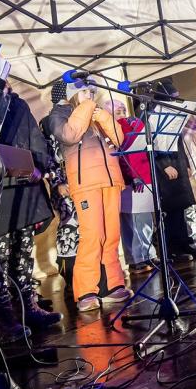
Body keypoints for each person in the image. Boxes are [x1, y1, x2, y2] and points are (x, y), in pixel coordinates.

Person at [0, 91, 62, 336]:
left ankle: (27, 306)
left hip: (24, 185)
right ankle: (1, 314)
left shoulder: (17, 103)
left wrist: (39, 165)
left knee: (23, 250)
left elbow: (34, 138)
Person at [49, 76, 133, 313]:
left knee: (111, 235)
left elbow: (119, 139)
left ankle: (112, 285)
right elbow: (69, 135)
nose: (91, 96)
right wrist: (86, 107)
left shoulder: (95, 115)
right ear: (72, 94)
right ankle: (86, 291)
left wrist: (103, 116)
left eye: (92, 92)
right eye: (86, 92)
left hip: (110, 180)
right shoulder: (60, 114)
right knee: (92, 236)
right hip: (86, 183)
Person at [147, 80, 196, 260]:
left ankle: (184, 243)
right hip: (166, 168)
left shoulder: (172, 114)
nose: (175, 100)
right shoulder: (153, 115)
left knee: (182, 207)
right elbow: (153, 143)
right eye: (173, 97)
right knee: (171, 210)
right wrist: (164, 165)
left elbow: (179, 142)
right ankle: (173, 248)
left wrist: (186, 165)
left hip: (179, 163)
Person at [40, 83, 80, 287]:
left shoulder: (75, 116)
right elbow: (48, 155)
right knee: (69, 226)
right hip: (62, 183)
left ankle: (83, 275)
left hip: (78, 180)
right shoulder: (48, 122)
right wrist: (57, 182)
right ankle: (69, 273)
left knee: (81, 227)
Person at [114, 97, 158, 276]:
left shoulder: (135, 124)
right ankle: (137, 258)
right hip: (129, 179)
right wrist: (132, 176)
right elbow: (123, 155)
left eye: (124, 110)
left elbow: (145, 146)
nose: (123, 115)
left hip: (143, 176)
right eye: (118, 112)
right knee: (132, 221)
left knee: (143, 220)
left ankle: (146, 255)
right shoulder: (115, 128)